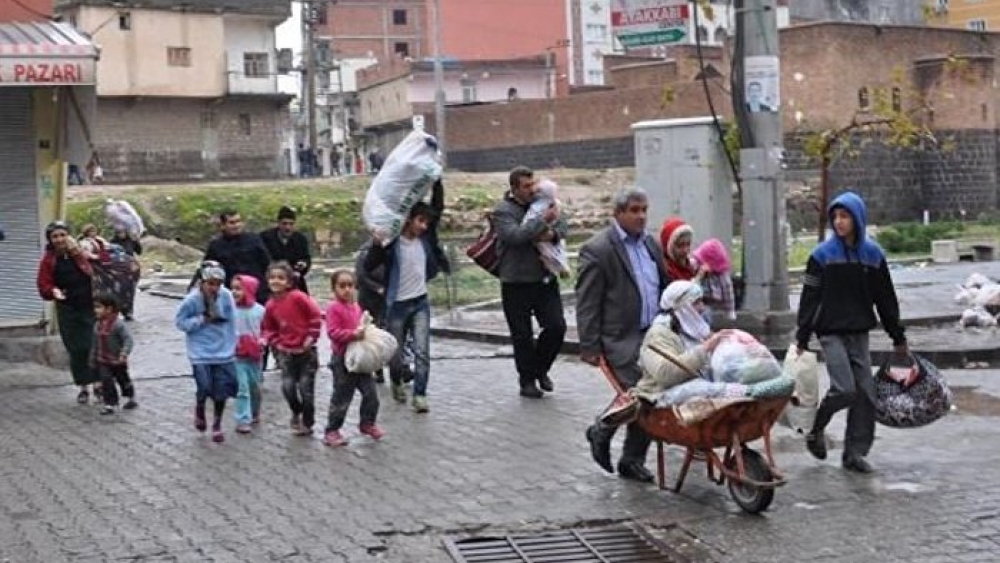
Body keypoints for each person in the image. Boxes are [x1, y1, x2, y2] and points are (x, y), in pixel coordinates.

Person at [796, 190, 907, 474]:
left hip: (859, 332)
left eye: (845, 216)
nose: (839, 221)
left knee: (866, 393)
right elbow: (809, 297)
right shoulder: (821, 256)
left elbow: (886, 299)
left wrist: (898, 337)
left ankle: (854, 453)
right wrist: (802, 336)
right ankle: (815, 428)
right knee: (845, 389)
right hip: (829, 331)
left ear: (858, 218)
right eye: (835, 216)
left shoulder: (873, 256)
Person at [576, 187, 669, 482]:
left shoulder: (651, 245)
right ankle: (602, 429)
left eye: (644, 209)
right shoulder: (599, 249)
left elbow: (663, 288)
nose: (641, 216)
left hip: (654, 335)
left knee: (653, 395)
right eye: (634, 210)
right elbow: (587, 301)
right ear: (618, 213)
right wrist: (590, 345)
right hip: (620, 338)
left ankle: (631, 460)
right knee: (641, 393)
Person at [364, 179, 450, 412]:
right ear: (408, 220)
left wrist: (437, 183)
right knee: (396, 351)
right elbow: (369, 266)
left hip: (420, 302)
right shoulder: (392, 243)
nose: (424, 226)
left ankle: (420, 395)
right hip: (397, 305)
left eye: (426, 223)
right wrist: (376, 244)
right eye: (420, 221)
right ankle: (396, 380)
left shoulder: (426, 238)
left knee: (422, 351)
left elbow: (437, 208)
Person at [493, 166, 568, 398]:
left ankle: (540, 369)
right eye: (526, 186)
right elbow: (515, 236)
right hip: (516, 281)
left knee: (556, 326)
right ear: (514, 188)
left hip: (544, 278)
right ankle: (527, 381)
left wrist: (552, 234)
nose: (532, 190)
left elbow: (563, 225)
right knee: (522, 335)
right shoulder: (503, 211)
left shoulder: (545, 201)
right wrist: (541, 223)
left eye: (533, 184)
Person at [36, 221, 101, 403]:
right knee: (76, 349)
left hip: (89, 306)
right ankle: (83, 386)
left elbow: (97, 268)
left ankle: (98, 384)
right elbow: (43, 285)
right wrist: (53, 291)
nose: (59, 239)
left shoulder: (80, 253)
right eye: (55, 236)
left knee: (92, 345)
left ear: (68, 236)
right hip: (67, 310)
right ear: (50, 239)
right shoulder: (49, 260)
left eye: (62, 235)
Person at [175, 261, 239, 444]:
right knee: (204, 386)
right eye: (210, 283)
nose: (214, 288)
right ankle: (200, 407)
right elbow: (180, 323)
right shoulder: (191, 300)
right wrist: (201, 320)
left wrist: (236, 342)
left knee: (223, 390)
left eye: (218, 284)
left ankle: (217, 423)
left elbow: (233, 320)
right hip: (200, 351)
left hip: (223, 349)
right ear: (201, 282)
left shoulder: (226, 296)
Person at [633, 282, 728, 401]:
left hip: (699, 387)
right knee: (700, 388)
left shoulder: (697, 330)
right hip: (662, 394)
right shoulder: (658, 334)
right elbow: (666, 374)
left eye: (701, 302)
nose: (702, 308)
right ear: (681, 307)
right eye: (696, 303)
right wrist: (705, 348)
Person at [323, 270, 385, 447]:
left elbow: (360, 326)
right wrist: (352, 335)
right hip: (342, 359)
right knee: (342, 396)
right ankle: (332, 430)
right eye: (342, 286)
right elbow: (333, 333)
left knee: (371, 394)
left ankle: (367, 423)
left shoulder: (356, 307)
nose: (347, 290)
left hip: (360, 359)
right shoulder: (333, 308)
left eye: (350, 285)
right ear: (334, 288)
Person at [261, 261, 323, 436]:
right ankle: (296, 411)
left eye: (281, 278)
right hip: (286, 353)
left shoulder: (298, 297)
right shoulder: (270, 305)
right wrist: (275, 342)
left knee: (306, 389)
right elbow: (268, 328)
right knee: (288, 387)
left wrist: (311, 336)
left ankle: (308, 422)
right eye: (272, 278)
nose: (276, 281)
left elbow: (315, 316)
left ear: (289, 282)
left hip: (306, 352)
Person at [196, 210, 272, 304]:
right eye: (232, 223)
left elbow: (267, 264)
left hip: (257, 294)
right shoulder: (216, 246)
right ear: (223, 225)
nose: (236, 225)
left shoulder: (254, 239)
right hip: (230, 295)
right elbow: (208, 271)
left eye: (238, 221)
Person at [90, 293, 137, 415]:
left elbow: (128, 340)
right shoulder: (97, 325)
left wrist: (124, 353)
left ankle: (130, 397)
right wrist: (92, 358)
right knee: (106, 380)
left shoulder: (118, 325)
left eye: (99, 307)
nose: (96, 310)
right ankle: (110, 404)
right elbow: (95, 343)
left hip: (118, 360)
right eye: (95, 307)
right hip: (103, 360)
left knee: (123, 379)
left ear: (109, 309)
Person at [231, 275, 265, 434]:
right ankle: (243, 418)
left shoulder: (260, 310)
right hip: (237, 355)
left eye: (239, 288)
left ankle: (255, 411)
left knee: (254, 386)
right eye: (233, 288)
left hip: (255, 355)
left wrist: (264, 340)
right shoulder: (230, 310)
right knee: (242, 387)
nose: (235, 292)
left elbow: (268, 329)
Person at [260, 206, 312, 294]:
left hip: (294, 280)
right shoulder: (265, 238)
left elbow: (306, 258)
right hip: (272, 281)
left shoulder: (300, 239)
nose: (288, 227)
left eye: (291, 224)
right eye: (284, 224)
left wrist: (303, 265)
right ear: (278, 223)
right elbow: (260, 260)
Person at [659, 217, 706, 282]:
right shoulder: (667, 271)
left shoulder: (691, 266)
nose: (685, 250)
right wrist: (698, 278)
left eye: (688, 244)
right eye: (680, 245)